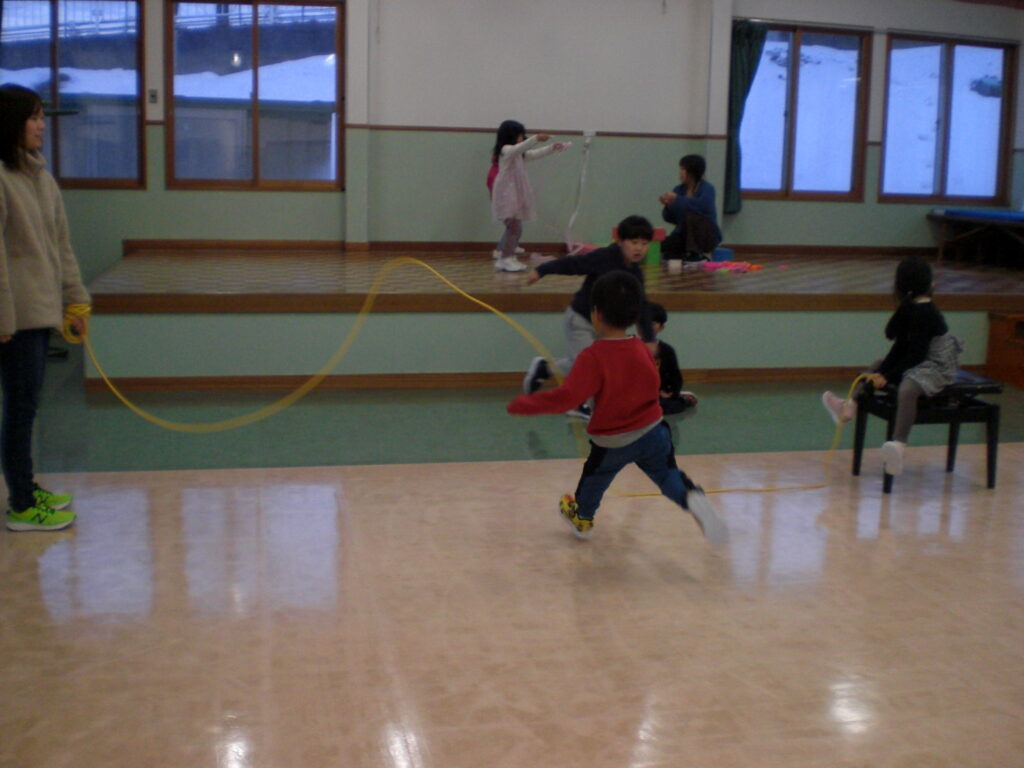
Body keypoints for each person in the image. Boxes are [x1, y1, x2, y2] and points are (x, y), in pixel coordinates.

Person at [507, 271, 727, 547]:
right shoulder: (641, 348)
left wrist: (527, 404)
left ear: (596, 314)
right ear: (634, 316)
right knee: (667, 474)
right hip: (653, 431)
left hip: (613, 441)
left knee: (595, 478)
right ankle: (691, 498)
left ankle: (582, 520)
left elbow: (567, 397)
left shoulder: (592, 357)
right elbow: (653, 383)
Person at [0, 83, 89, 531]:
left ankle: (27, 487)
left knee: (28, 407)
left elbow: (60, 247)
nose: (41, 126)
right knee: (20, 411)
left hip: (39, 313)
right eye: (33, 117)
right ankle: (21, 505)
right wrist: (4, 318)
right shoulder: (1, 179)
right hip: (14, 318)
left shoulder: (40, 177)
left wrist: (77, 301)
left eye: (41, 117)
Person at [822, 257, 963, 475]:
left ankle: (899, 444)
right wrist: (882, 372)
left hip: (936, 364)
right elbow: (899, 346)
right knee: (876, 365)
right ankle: (850, 405)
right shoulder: (910, 308)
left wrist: (889, 376)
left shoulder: (926, 312)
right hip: (917, 358)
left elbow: (916, 355)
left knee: (908, 388)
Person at [521, 214, 656, 418]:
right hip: (581, 320)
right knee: (585, 367)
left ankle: (544, 368)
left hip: (605, 327)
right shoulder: (604, 257)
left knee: (581, 364)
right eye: (634, 242)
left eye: (644, 244)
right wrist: (542, 270)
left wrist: (649, 338)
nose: (639, 248)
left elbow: (642, 306)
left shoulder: (636, 275)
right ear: (620, 241)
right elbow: (573, 264)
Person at [490, 120, 569, 273]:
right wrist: (536, 138)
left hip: (514, 194)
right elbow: (520, 148)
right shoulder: (506, 150)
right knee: (514, 227)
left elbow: (534, 153)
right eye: (520, 135)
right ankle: (505, 258)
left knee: (516, 227)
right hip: (506, 195)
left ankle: (507, 257)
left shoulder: (519, 154)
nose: (522, 137)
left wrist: (552, 147)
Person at [659, 154, 722, 262]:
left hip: (706, 235)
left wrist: (677, 200)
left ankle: (697, 255)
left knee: (690, 217)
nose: (680, 173)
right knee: (667, 245)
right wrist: (668, 205)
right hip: (683, 235)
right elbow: (669, 218)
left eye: (683, 169)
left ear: (693, 172)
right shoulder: (679, 190)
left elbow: (703, 206)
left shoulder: (707, 189)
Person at [649, 302, 698, 416]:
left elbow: (675, 377)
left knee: (664, 406)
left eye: (652, 323)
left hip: (660, 394)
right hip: (639, 395)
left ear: (661, 327)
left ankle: (684, 399)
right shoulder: (633, 349)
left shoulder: (667, 351)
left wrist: (672, 393)